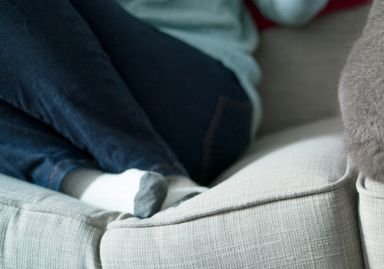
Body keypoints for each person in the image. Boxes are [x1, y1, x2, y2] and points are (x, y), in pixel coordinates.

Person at [0, 0, 327, 217]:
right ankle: (94, 183)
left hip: (200, 102)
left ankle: (155, 170)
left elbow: (292, 8)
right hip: (69, 126)